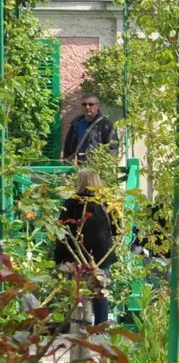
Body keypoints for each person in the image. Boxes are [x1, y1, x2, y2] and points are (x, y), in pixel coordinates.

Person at [52, 168, 115, 326]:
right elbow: (115, 228)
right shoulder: (105, 203)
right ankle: (101, 327)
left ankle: (76, 327)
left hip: (76, 256)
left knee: (76, 292)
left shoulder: (71, 203)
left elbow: (62, 232)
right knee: (100, 291)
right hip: (100, 256)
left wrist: (59, 258)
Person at [60, 94, 117, 163]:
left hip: (96, 165)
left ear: (98, 106)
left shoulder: (106, 125)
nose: (87, 107)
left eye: (91, 104)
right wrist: (66, 163)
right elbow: (68, 145)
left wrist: (106, 165)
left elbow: (112, 147)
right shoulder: (76, 123)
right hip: (77, 164)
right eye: (84, 104)